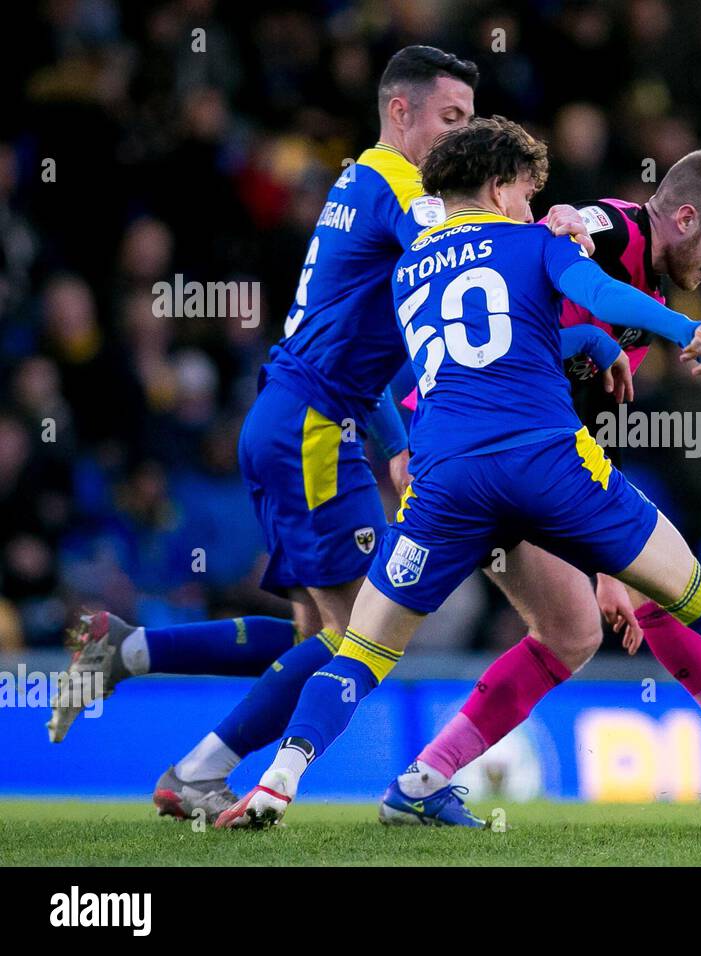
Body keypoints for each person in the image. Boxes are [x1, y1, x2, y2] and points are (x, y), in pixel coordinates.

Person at [215, 116, 701, 829]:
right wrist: (683, 328)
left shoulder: (411, 266)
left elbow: (488, 337)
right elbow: (589, 246)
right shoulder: (580, 236)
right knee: (689, 588)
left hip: (447, 466)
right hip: (537, 452)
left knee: (487, 637)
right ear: (501, 188)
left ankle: (306, 781)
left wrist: (404, 441)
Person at [46, 46, 587, 818]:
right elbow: (467, 281)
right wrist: (555, 243)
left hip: (289, 417)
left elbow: (392, 320)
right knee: (363, 631)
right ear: (400, 112)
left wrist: (396, 436)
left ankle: (128, 649)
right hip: (314, 428)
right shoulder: (406, 186)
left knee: (314, 634)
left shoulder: (358, 179)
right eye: (452, 119)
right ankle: (200, 768)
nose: (462, 138)